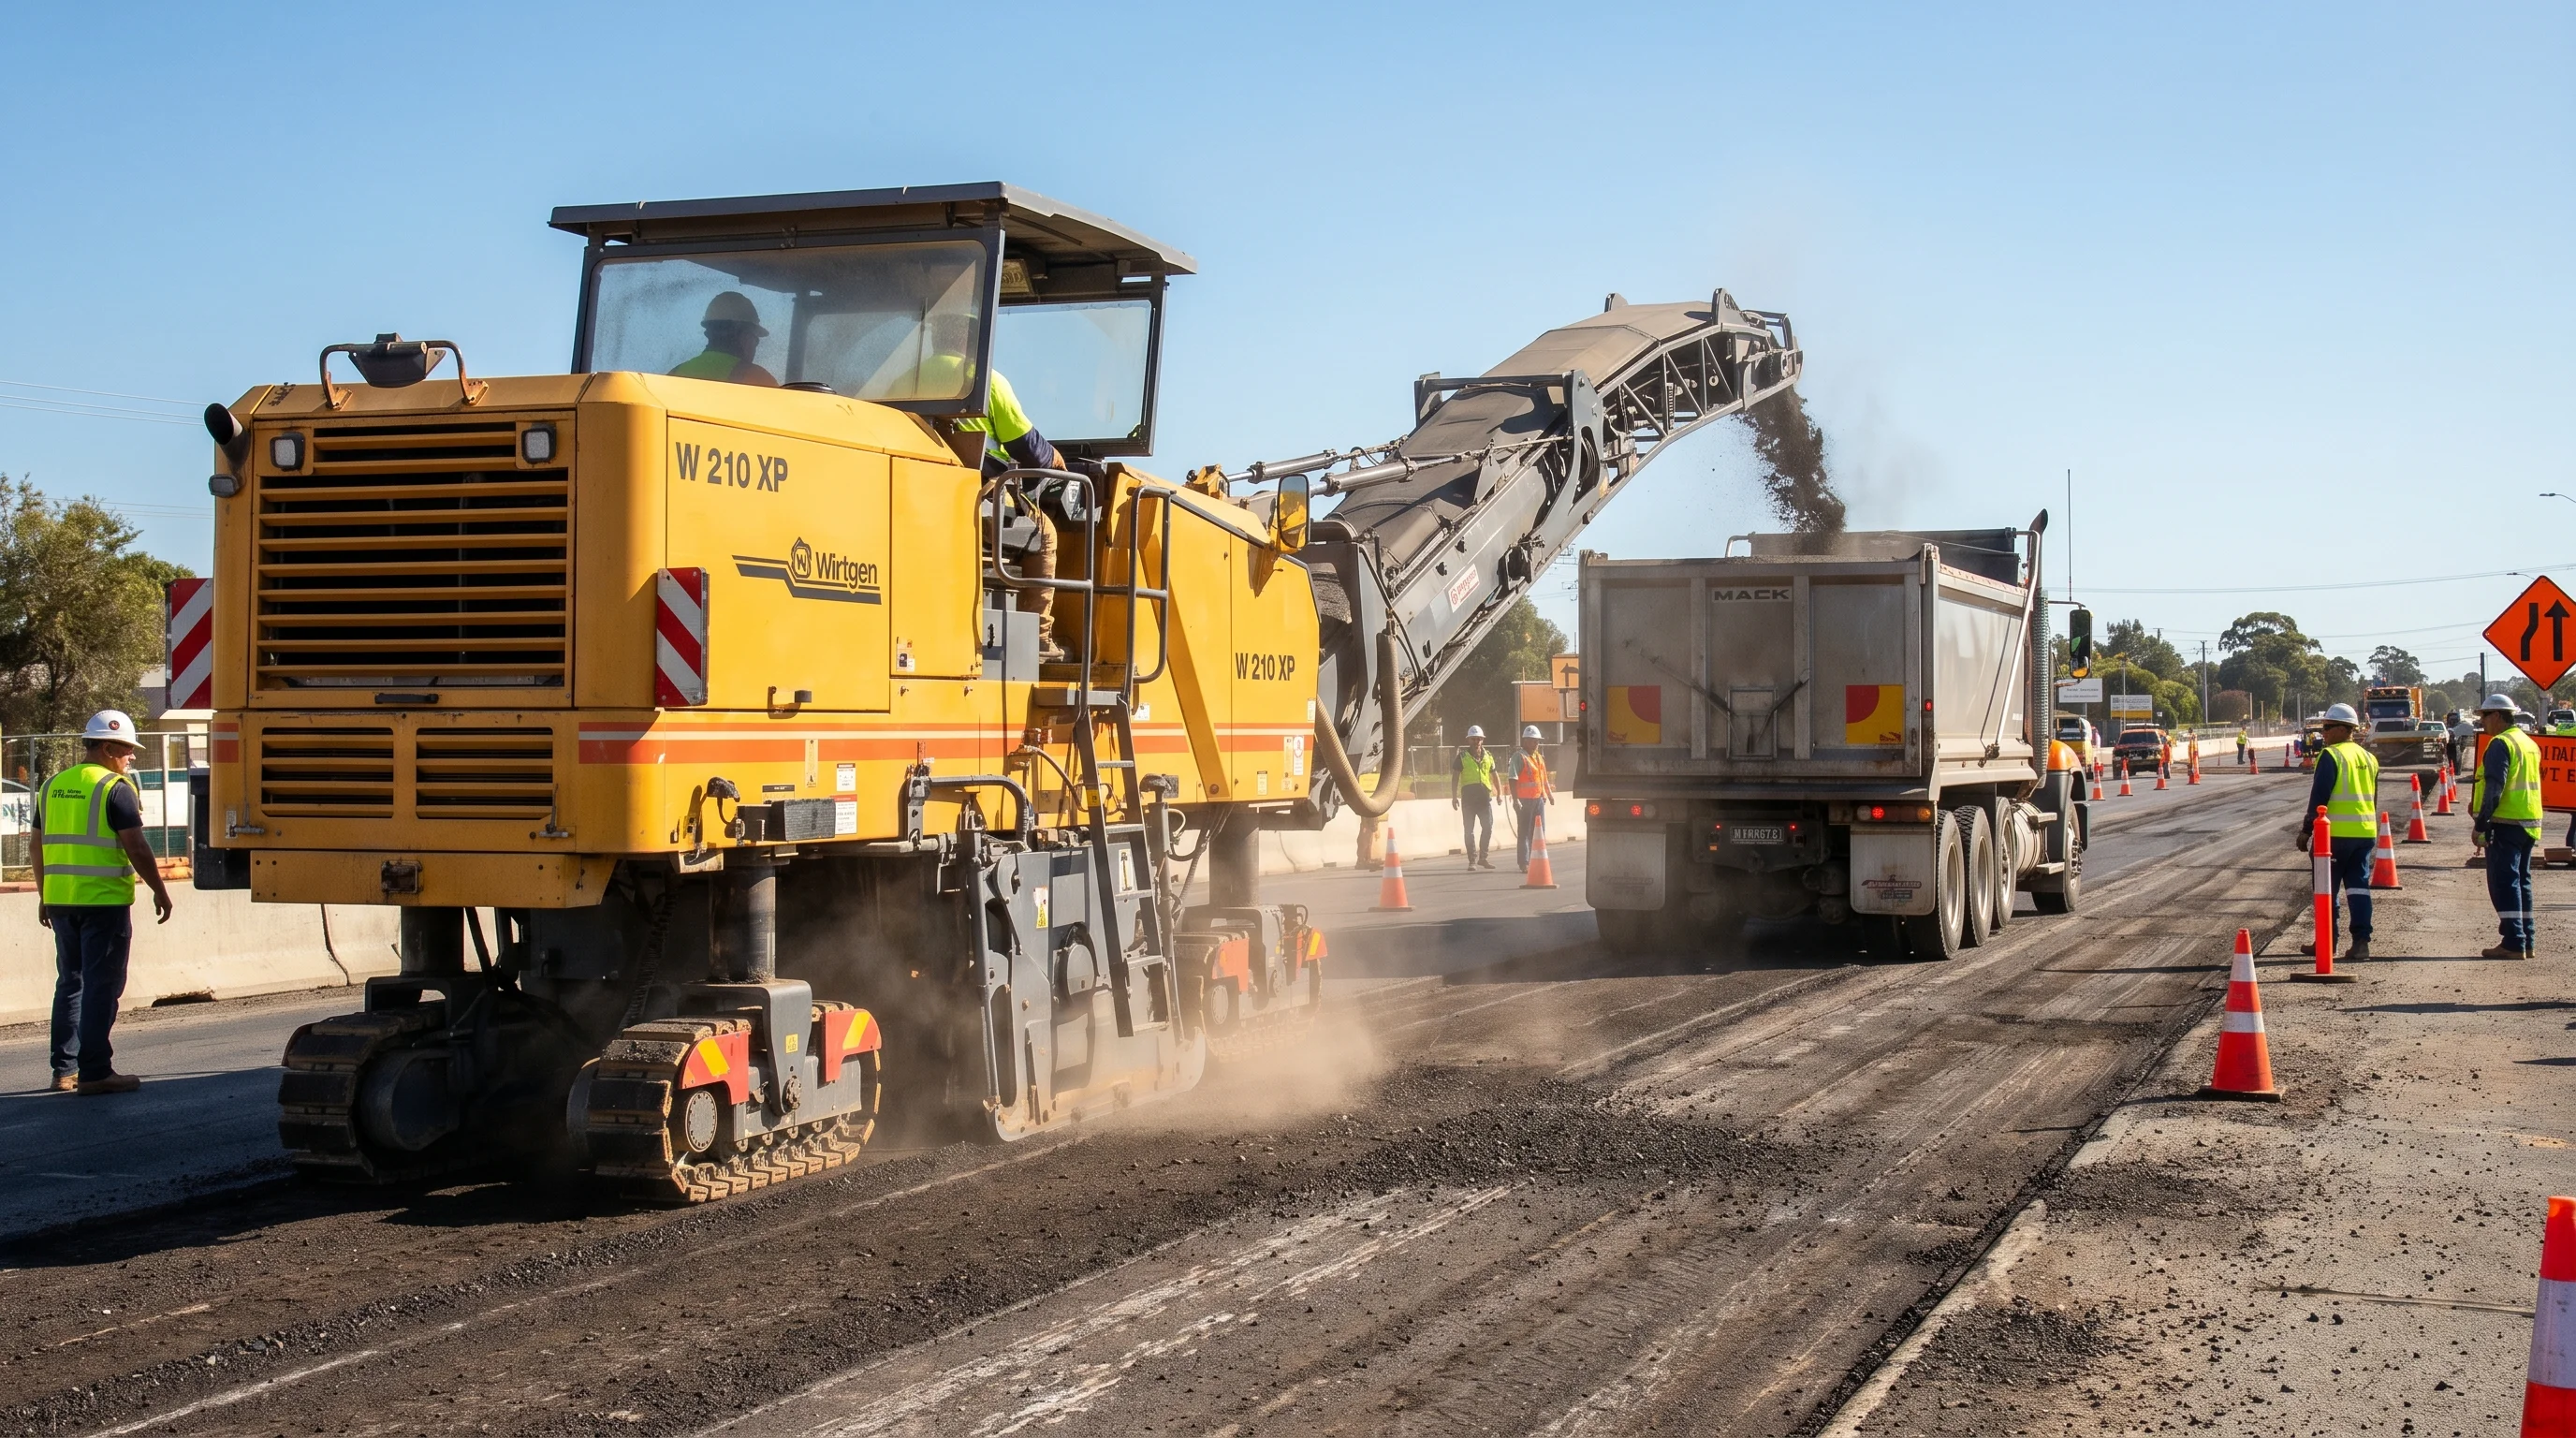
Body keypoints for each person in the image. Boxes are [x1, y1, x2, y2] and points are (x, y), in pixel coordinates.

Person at [39, 711, 176, 1095]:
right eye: (127, 750)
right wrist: (159, 890)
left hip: (61, 900)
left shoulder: (52, 785)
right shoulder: (115, 788)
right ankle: (96, 1071)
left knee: (71, 984)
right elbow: (136, 845)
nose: (131, 757)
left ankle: (64, 1071)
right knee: (102, 986)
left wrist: (43, 894)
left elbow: (37, 845)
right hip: (103, 902)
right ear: (106, 746)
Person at [2296, 703, 2379, 962]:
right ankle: (2361, 942)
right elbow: (2372, 799)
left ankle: (2326, 942)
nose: (2324, 733)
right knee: (2358, 889)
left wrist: (2306, 830)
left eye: (2328, 727)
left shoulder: (2331, 756)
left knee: (2326, 890)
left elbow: (2319, 799)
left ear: (2345, 730)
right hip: (2365, 833)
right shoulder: (2369, 758)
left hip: (2333, 837)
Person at [2471, 694, 2543, 959]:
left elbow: (2494, 787)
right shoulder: (2528, 743)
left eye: (2485, 716)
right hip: (2528, 821)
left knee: (2505, 882)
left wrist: (2481, 825)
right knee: (2521, 881)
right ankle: (2526, 940)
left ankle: (2514, 942)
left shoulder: (2501, 743)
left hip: (2507, 821)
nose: (2482, 723)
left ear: (2498, 716)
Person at [667, 291, 780, 386]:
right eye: (756, 340)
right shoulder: (758, 379)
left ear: (709, 333)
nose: (755, 346)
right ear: (746, 337)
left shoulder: (674, 374)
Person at [1510, 725, 1556, 873]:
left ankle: (1536, 860)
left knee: (1538, 832)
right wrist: (1515, 799)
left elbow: (1544, 779)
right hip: (1524, 801)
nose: (1536, 744)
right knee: (1524, 832)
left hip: (1538, 800)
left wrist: (1548, 794)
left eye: (1537, 741)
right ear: (1525, 741)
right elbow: (1512, 778)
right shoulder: (1519, 756)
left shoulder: (1539, 758)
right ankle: (1524, 863)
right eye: (1533, 741)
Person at [1452, 726, 1498, 870]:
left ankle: (1483, 858)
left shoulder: (1488, 756)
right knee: (1469, 831)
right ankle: (1472, 860)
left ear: (1482, 740)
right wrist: (1454, 797)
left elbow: (1494, 775)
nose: (1476, 741)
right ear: (1468, 740)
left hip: (1484, 800)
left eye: (1479, 739)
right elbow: (1455, 778)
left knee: (1488, 827)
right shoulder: (1462, 757)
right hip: (1469, 801)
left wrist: (1500, 793)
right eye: (1473, 739)